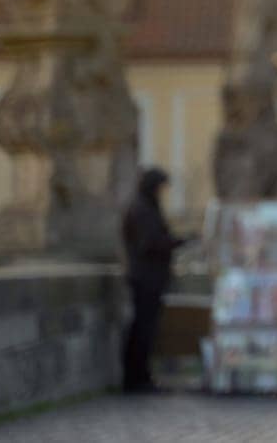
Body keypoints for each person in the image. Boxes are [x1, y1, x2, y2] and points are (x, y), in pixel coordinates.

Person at [120, 166, 187, 394]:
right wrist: (176, 242)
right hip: (146, 278)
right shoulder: (142, 209)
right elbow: (149, 243)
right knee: (143, 329)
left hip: (148, 277)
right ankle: (137, 378)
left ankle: (140, 376)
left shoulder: (144, 207)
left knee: (146, 328)